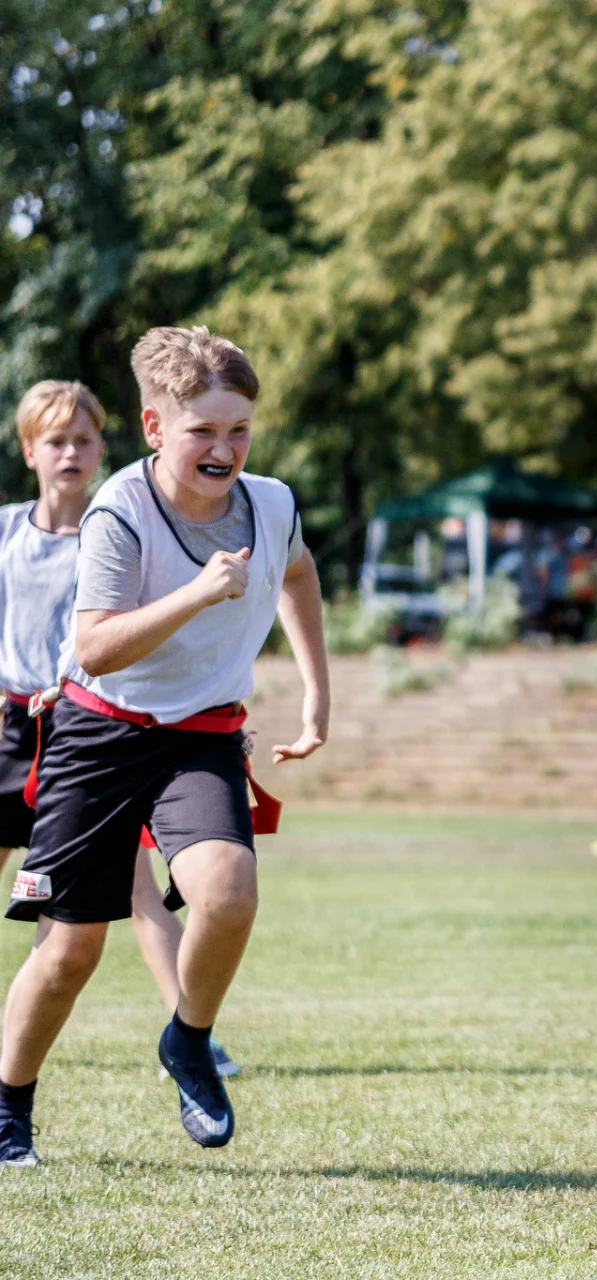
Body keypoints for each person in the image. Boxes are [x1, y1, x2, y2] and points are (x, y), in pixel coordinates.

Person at [0, 327, 329, 1165]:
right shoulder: (120, 510)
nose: (224, 448)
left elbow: (296, 572)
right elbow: (96, 646)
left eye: (239, 430)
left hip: (201, 735)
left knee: (230, 893)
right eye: (203, 431)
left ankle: (188, 1039)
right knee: (71, 950)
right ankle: (9, 1111)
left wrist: (317, 692)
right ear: (154, 427)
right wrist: (196, 593)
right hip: (97, 733)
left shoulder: (273, 505)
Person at [0, 381, 242, 1088]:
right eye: (56, 441)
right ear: (29, 451)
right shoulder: (7, 532)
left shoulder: (123, 523)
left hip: (93, 728)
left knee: (135, 888)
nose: (71, 453)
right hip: (12, 725)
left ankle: (192, 1036)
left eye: (83, 440)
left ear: (104, 447)